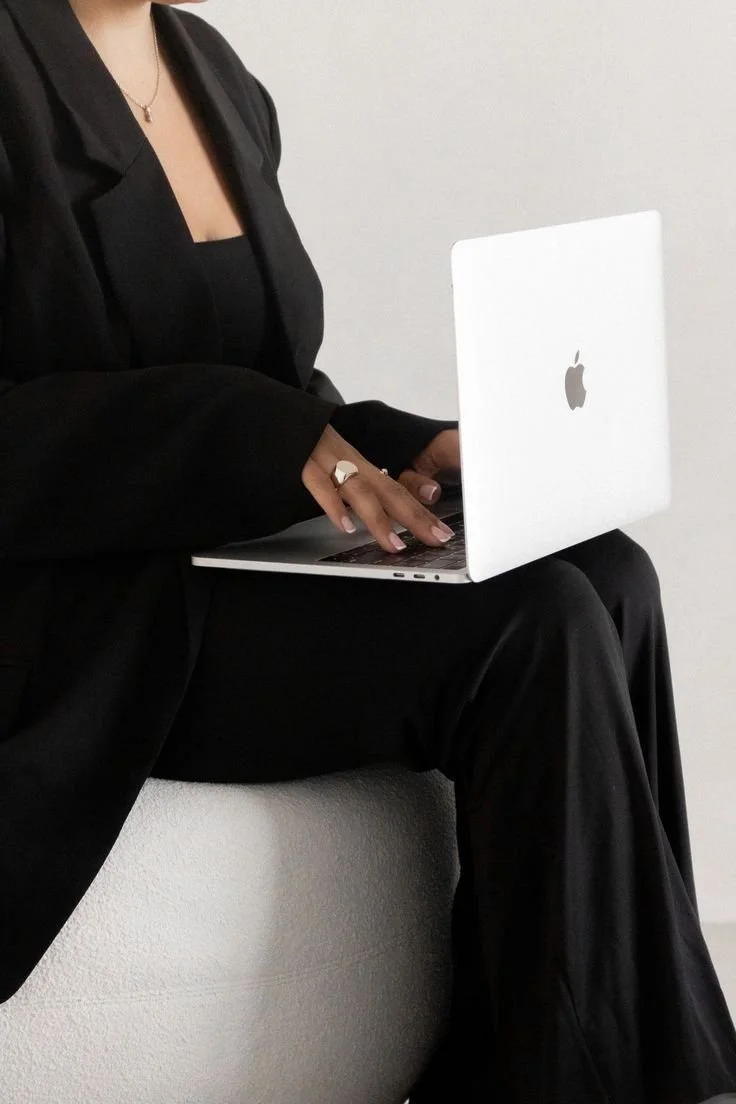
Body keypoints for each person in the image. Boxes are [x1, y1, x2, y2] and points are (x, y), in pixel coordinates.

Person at [0, 0, 735, 1100]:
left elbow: (270, 378)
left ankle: (563, 1059)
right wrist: (263, 434)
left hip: (221, 554)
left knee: (608, 572)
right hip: (88, 609)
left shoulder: (207, 66)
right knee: (528, 629)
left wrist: (399, 448)